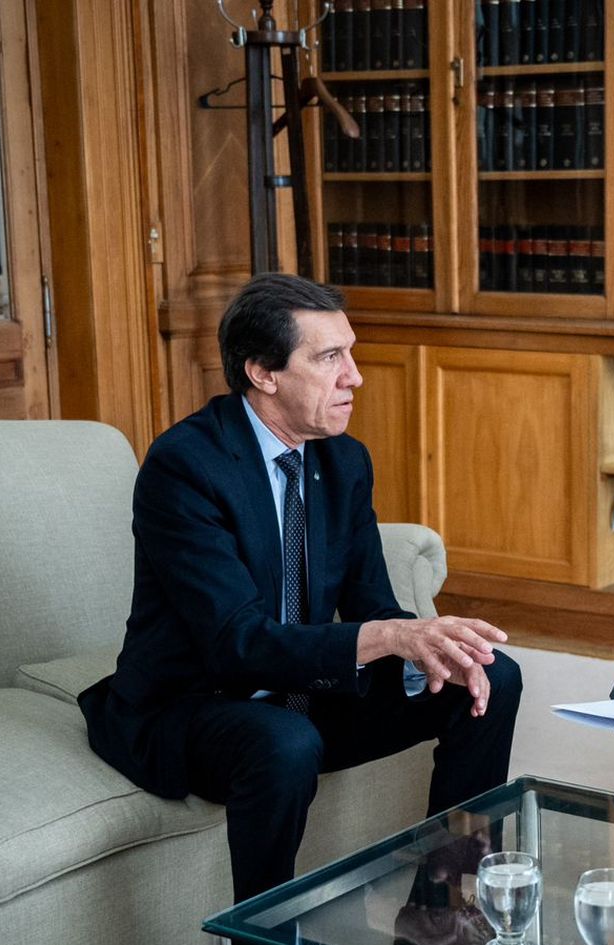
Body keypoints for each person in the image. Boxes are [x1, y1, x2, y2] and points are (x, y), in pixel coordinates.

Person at [80, 273, 522, 903]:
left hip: (303, 692)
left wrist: (425, 649)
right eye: (329, 358)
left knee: (491, 674)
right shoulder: (185, 467)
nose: (355, 377)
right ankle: (263, 932)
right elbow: (237, 643)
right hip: (191, 704)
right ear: (264, 372)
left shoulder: (343, 461)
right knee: (285, 742)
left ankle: (442, 906)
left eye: (351, 353)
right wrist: (388, 635)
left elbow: (372, 602)